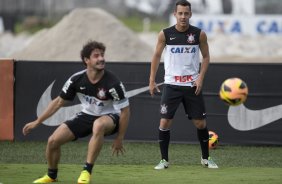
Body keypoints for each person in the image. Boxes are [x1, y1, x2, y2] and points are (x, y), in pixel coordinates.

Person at [22, 40, 130, 183]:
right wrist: (37, 122)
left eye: (102, 55)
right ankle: (51, 176)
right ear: (86, 60)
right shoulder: (76, 79)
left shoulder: (113, 83)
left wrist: (119, 138)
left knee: (98, 125)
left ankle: (86, 171)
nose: (101, 59)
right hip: (87, 114)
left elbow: (126, 111)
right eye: (96, 56)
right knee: (53, 141)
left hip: (110, 117)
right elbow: (59, 102)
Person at [149, 0, 218, 169]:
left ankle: (205, 158)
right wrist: (151, 79)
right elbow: (156, 56)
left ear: (191, 14)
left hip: (192, 86)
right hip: (171, 85)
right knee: (164, 122)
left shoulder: (199, 34)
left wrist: (200, 78)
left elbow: (207, 57)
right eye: (180, 13)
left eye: (186, 13)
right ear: (175, 14)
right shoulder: (165, 34)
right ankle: (164, 160)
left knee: (200, 124)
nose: (183, 17)